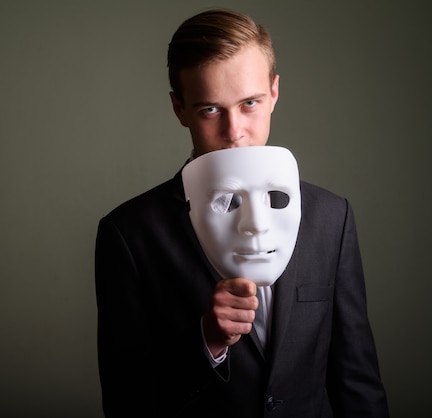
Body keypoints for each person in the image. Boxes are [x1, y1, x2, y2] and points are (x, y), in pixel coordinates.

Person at [94, 8, 389, 418]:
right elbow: (127, 400)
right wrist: (207, 341)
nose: (235, 131)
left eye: (249, 103)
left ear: (274, 92)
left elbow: (357, 380)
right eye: (210, 110)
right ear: (180, 109)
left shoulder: (329, 218)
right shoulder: (130, 234)